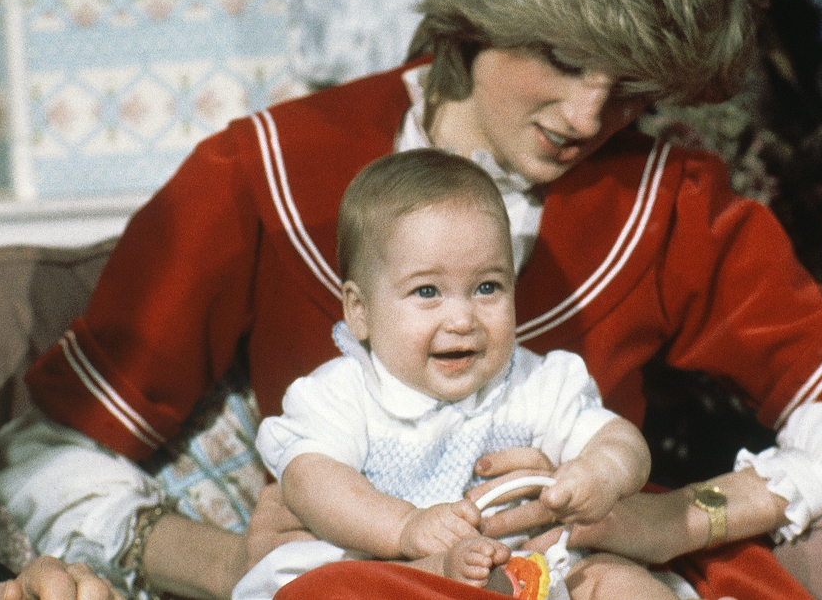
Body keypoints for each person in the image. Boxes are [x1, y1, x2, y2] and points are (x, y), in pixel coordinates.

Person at [0, 0, 822, 599]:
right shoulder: (268, 170)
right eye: (560, 57)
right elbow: (45, 449)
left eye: (631, 82)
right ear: (478, 13)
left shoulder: (672, 200)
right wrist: (224, 562)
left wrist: (687, 517)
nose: (590, 112)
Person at [232, 148, 680, 600]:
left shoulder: (535, 383)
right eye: (427, 291)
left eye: (488, 287)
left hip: (528, 571)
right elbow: (311, 479)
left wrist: (602, 471)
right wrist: (403, 525)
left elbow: (619, 439)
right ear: (360, 311)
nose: (463, 318)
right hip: (391, 574)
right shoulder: (343, 392)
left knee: (617, 581)